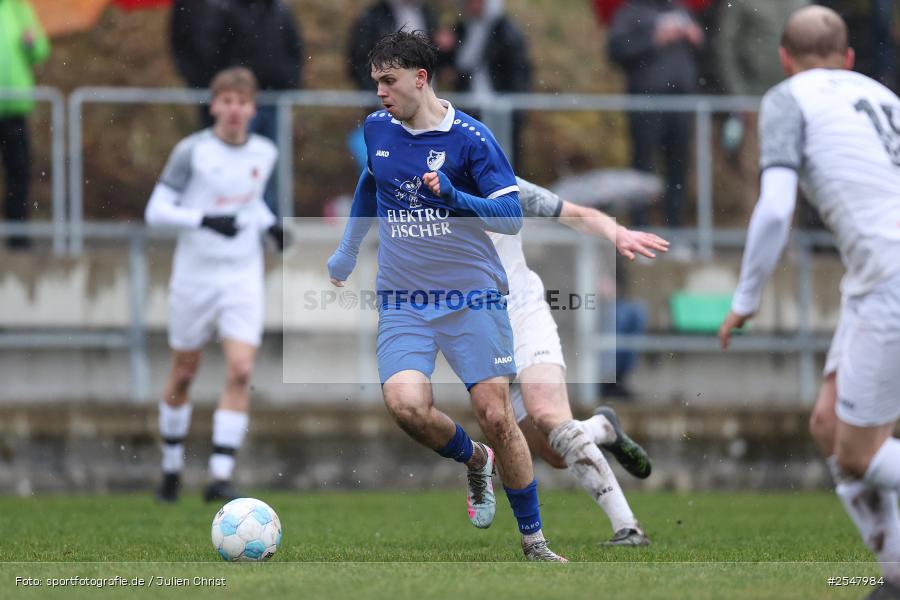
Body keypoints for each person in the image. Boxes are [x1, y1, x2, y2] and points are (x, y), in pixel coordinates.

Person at [327, 30, 566, 562]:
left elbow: (510, 217)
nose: (381, 93)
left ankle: (534, 542)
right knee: (407, 406)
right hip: (404, 300)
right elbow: (371, 182)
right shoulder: (376, 129)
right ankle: (474, 459)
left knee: (498, 414)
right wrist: (347, 251)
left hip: (472, 297)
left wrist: (456, 198)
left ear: (420, 78)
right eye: (375, 83)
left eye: (389, 81)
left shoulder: (472, 140)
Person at [718, 6, 900, 593]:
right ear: (848, 58)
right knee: (828, 424)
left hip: (887, 276)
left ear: (783, 59)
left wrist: (745, 297)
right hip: (873, 277)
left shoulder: (787, 97)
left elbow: (775, 207)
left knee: (860, 453)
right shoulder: (883, 97)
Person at [499, 177, 667, 546]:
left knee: (547, 414)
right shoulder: (410, 190)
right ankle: (601, 428)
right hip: (479, 334)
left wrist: (617, 232)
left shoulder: (494, 178)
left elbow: (577, 213)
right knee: (554, 453)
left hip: (524, 315)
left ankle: (628, 528)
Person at [145, 67, 286, 504]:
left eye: (242, 103)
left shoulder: (265, 152)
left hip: (242, 274)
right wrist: (203, 219)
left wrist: (271, 226)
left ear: (252, 109)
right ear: (213, 106)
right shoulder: (192, 152)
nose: (234, 110)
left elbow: (252, 200)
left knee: (241, 369)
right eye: (226, 101)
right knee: (184, 371)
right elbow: (156, 211)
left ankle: (219, 476)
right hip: (195, 274)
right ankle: (170, 469)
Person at [607, 0, 703, 229]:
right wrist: (654, 39)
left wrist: (694, 36)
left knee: (677, 169)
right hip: (646, 102)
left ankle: (676, 233)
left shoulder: (680, 10)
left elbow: (705, 51)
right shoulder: (629, 13)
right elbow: (616, 50)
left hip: (680, 103)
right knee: (642, 167)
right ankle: (640, 229)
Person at [205, 0, 304, 215]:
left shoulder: (280, 11)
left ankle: (272, 222)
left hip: (276, 101)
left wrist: (289, 82)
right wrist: (234, 91)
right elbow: (215, 51)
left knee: (272, 166)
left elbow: (295, 49)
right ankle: (232, 213)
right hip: (243, 97)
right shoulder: (228, 10)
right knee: (236, 161)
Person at [435, 0, 531, 169]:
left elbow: (518, 71)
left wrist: (516, 110)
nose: (473, 6)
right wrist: (443, 48)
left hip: (500, 108)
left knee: (503, 161)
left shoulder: (505, 31)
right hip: (469, 108)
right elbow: (448, 66)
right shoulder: (462, 29)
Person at [0, 0, 49, 249]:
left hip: (15, 107)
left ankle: (17, 234)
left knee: (18, 170)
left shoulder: (19, 8)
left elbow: (41, 49)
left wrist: (32, 43)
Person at [346, 1, 437, 91]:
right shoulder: (374, 16)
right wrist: (373, 87)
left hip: (424, 87)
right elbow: (360, 56)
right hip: (384, 92)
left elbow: (435, 51)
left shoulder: (425, 12)